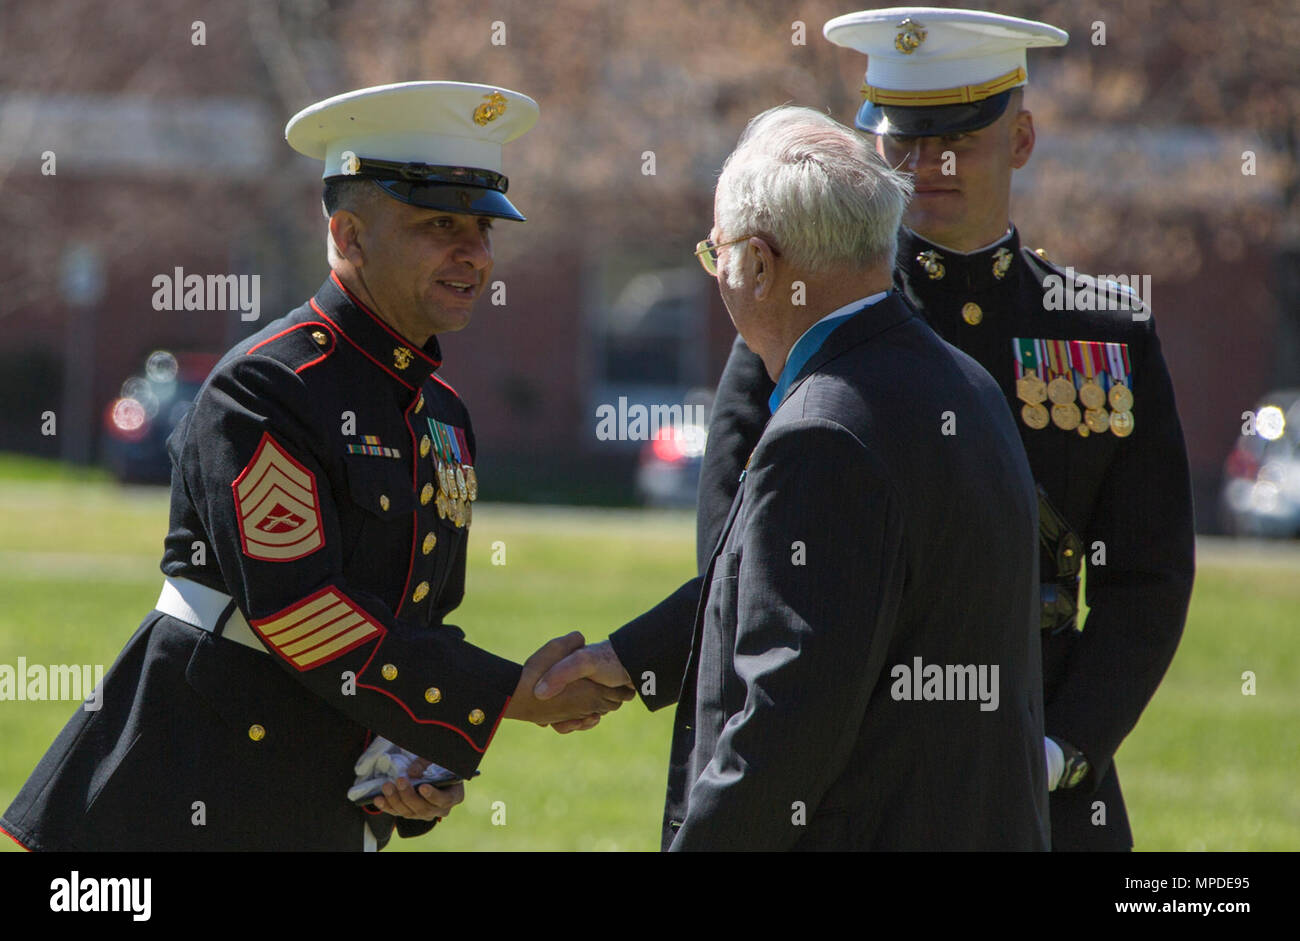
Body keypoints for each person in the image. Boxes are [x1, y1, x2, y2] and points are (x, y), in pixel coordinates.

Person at [541, 9, 1195, 852]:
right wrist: (635, 657)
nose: (929, 163)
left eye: (958, 135)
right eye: (904, 142)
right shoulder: (802, 320)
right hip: (863, 765)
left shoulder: (1102, 332)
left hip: (1039, 776)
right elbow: (759, 572)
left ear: (1023, 138)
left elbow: (1146, 576)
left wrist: (1062, 747)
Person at [1, 81, 631, 852]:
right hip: (179, 799)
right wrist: (502, 695)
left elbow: (416, 624)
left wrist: (416, 761)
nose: (474, 252)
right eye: (439, 224)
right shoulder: (267, 386)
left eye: (482, 227)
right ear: (349, 235)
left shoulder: (442, 414)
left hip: (317, 812)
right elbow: (302, 612)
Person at [572, 105, 1049, 850]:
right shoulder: (963, 382)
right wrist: (631, 658)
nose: (717, 274)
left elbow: (785, 723)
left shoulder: (820, 433)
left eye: (715, 253)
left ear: (758, 264)